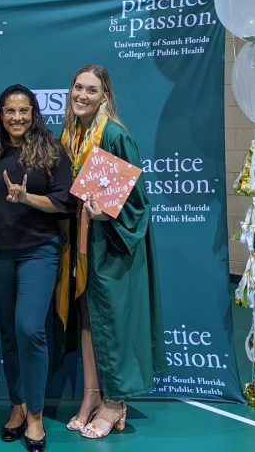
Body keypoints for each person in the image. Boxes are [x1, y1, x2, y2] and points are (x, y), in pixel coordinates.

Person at [56, 64, 164, 439]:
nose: (82, 95)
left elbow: (139, 202)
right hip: (83, 248)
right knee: (89, 321)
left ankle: (116, 402)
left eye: (91, 90)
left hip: (112, 247)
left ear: (105, 96)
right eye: (77, 87)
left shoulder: (114, 135)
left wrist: (106, 213)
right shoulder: (72, 135)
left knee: (113, 325)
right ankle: (91, 395)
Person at [0, 85, 73, 452]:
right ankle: (17, 405)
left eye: (24, 111)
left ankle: (35, 414)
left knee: (29, 328)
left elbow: (66, 202)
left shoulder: (51, 151)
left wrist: (25, 197)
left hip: (39, 252)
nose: (17, 118)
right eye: (9, 111)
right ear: (0, 114)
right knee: (8, 332)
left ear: (34, 113)